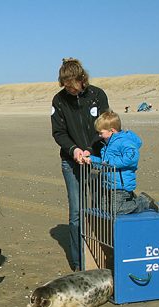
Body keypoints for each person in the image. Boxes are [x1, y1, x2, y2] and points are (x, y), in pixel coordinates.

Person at [50, 58, 109, 272]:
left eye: (72, 85)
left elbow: (105, 127)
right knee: (76, 212)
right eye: (65, 85)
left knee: (102, 208)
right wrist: (74, 150)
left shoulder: (97, 95)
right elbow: (58, 132)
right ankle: (78, 263)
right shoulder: (59, 100)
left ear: (81, 79)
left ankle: (103, 258)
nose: (69, 89)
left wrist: (91, 151)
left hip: (96, 159)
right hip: (71, 161)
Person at [83, 111, 159, 214]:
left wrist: (110, 163)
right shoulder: (107, 144)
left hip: (121, 185)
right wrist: (91, 159)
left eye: (101, 132)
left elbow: (131, 158)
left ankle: (144, 202)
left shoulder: (124, 141)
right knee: (103, 207)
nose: (99, 135)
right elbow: (104, 162)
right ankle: (131, 199)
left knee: (116, 210)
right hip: (109, 184)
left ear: (112, 131)